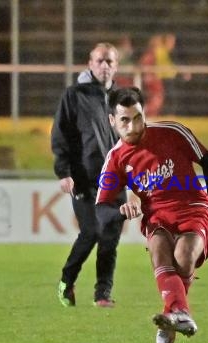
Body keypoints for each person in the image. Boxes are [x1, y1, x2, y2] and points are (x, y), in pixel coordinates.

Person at [95, 87, 208, 343]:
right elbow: (101, 209)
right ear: (112, 120)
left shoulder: (172, 132)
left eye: (138, 117)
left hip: (194, 206)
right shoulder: (115, 158)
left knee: (184, 255)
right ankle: (179, 313)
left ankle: (175, 311)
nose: (133, 126)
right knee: (159, 250)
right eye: (125, 120)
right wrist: (120, 211)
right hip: (157, 214)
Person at [51, 42, 126, 308]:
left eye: (110, 62)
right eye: (100, 61)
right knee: (92, 231)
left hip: (115, 180)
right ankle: (66, 280)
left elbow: (133, 140)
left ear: (116, 66)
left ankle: (102, 295)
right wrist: (64, 171)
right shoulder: (74, 95)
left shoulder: (122, 99)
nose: (104, 66)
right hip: (84, 178)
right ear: (90, 63)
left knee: (110, 238)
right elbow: (61, 135)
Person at [155, 33, 191, 115]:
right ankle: (168, 115)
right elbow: (175, 63)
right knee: (171, 98)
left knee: (171, 98)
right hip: (166, 77)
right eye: (171, 41)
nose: (173, 43)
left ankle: (169, 115)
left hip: (169, 77)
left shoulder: (165, 50)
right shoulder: (164, 51)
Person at [138, 34, 165, 118]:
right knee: (155, 101)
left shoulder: (154, 55)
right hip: (152, 82)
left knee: (156, 100)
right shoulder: (149, 55)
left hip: (154, 82)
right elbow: (142, 65)